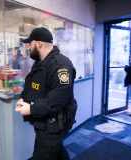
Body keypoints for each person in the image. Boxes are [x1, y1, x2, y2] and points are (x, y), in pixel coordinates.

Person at [15, 27, 77, 160]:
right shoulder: (39, 63)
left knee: (42, 155)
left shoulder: (60, 65)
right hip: (43, 119)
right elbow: (31, 84)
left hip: (55, 123)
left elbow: (57, 99)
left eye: (30, 44)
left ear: (38, 44)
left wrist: (31, 109)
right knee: (57, 150)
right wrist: (23, 99)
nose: (29, 48)